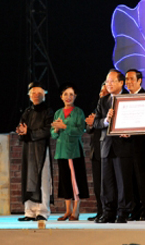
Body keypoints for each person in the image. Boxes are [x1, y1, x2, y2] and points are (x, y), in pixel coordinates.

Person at [94, 69, 135, 224]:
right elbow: (97, 122)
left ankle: (123, 212)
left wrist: (129, 132)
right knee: (107, 182)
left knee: (123, 181)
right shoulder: (103, 101)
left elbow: (136, 121)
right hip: (106, 146)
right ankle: (107, 212)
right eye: (107, 81)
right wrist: (106, 120)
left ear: (121, 83)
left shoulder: (129, 99)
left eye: (112, 81)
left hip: (123, 145)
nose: (108, 84)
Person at [51, 83, 89, 221]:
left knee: (75, 181)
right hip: (61, 151)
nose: (68, 97)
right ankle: (67, 210)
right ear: (61, 96)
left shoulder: (78, 112)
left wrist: (64, 126)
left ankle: (76, 211)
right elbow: (53, 134)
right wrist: (56, 129)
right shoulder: (58, 113)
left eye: (71, 94)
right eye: (65, 94)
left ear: (75, 96)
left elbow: (80, 131)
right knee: (65, 181)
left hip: (74, 151)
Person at [17, 82, 54, 222]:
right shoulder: (27, 112)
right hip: (28, 150)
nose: (36, 96)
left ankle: (43, 211)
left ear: (44, 95)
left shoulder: (48, 111)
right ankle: (29, 211)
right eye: (33, 93)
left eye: (39, 93)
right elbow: (22, 128)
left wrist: (29, 133)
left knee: (43, 180)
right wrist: (21, 132)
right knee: (28, 179)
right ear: (29, 96)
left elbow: (47, 130)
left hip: (41, 149)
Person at [125, 69, 145, 221]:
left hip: (141, 144)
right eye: (126, 79)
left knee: (142, 178)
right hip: (126, 145)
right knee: (131, 179)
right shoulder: (123, 99)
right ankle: (134, 209)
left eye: (131, 79)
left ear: (139, 80)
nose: (128, 82)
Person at [85, 82, 109, 221]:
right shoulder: (97, 110)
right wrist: (91, 123)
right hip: (95, 151)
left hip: (106, 149)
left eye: (104, 93)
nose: (101, 95)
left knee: (107, 184)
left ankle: (108, 210)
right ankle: (100, 210)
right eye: (101, 92)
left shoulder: (110, 110)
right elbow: (88, 129)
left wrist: (96, 121)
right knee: (98, 185)